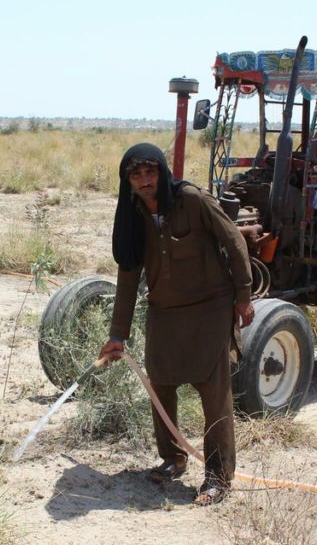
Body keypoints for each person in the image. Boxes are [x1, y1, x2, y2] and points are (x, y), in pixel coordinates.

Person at [98, 143, 253, 506]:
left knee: (214, 395)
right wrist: (117, 335)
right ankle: (173, 458)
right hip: (165, 312)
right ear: (128, 182)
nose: (144, 180)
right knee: (160, 384)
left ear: (162, 173)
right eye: (136, 175)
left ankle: (218, 476)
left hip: (210, 309)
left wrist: (243, 295)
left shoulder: (192, 201)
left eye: (150, 172)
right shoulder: (133, 218)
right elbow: (128, 276)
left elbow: (234, 242)